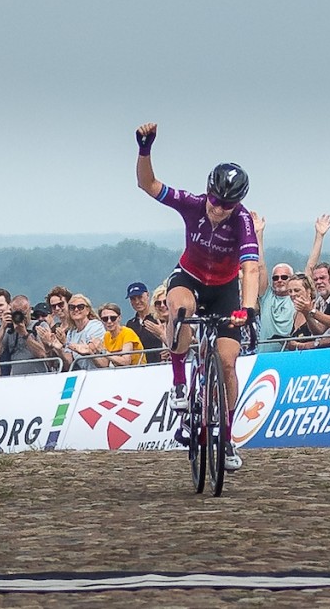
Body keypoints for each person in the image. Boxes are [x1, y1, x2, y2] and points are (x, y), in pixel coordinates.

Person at [135, 121, 258, 472]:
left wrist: (247, 309)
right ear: (208, 193)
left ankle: (229, 437)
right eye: (216, 201)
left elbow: (250, 268)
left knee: (228, 362)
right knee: (182, 308)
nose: (219, 209)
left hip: (223, 290)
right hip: (188, 277)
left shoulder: (242, 222)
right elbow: (148, 184)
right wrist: (145, 150)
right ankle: (178, 382)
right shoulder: (192, 204)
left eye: (229, 204)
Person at [253, 213, 295, 352]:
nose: (279, 280)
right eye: (275, 278)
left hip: (290, 356)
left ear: (292, 279)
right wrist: (258, 234)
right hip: (265, 356)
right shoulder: (267, 297)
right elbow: (261, 267)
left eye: (284, 277)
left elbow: (310, 268)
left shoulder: (297, 297)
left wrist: (319, 236)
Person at [53, 293, 107, 371]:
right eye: (72, 307)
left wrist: (66, 343)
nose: (76, 310)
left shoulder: (95, 325)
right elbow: (69, 361)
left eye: (80, 307)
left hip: (98, 372)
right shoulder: (71, 332)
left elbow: (91, 348)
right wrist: (59, 348)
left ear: (87, 310)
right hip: (82, 373)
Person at [94, 303, 145, 367]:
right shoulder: (107, 336)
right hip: (120, 372)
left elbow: (126, 361)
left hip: (138, 370)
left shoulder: (127, 332)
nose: (109, 321)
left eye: (113, 318)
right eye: (105, 319)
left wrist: (104, 352)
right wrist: (90, 352)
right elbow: (104, 364)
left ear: (119, 318)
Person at [125, 282, 164, 355]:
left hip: (160, 364)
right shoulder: (130, 324)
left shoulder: (160, 318)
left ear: (148, 295)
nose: (137, 302)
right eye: (133, 299)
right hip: (139, 364)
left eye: (140, 297)